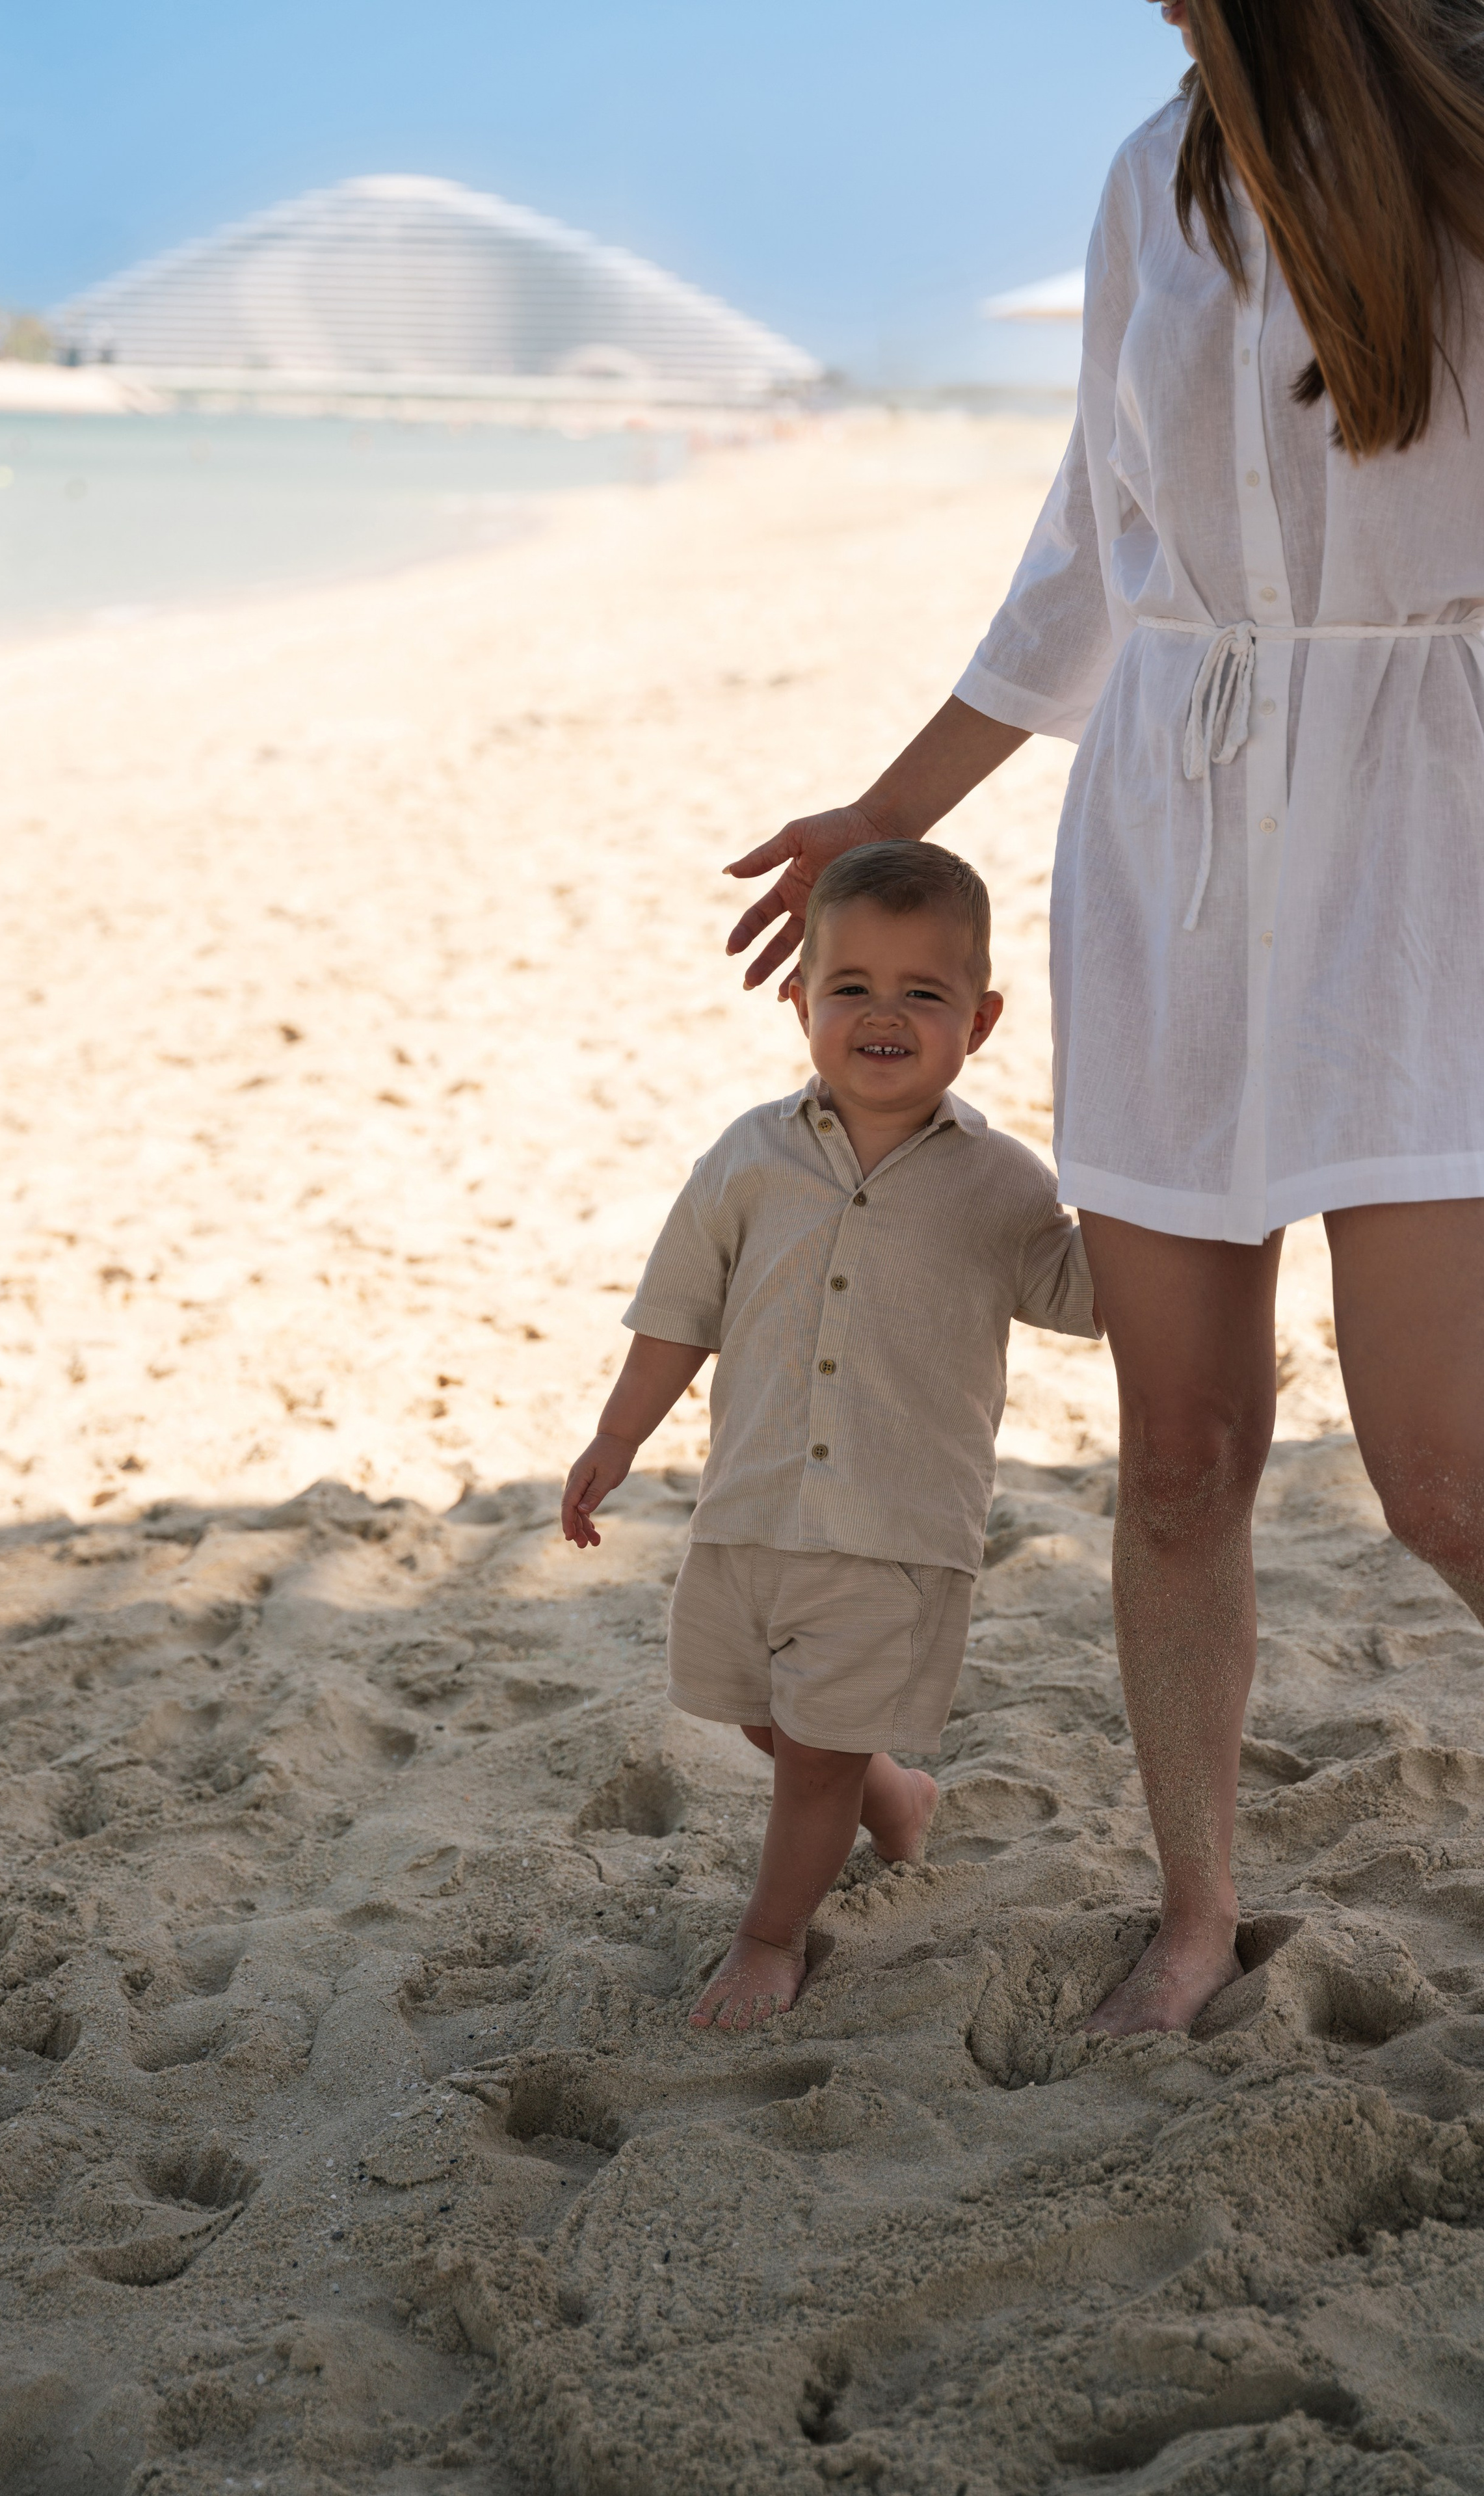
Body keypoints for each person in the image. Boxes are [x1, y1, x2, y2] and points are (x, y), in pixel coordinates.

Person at [722, 0, 1484, 2037]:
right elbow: (1086, 544)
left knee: (1443, 1470)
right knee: (1184, 1448)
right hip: (1168, 828)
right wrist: (889, 818)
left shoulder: (1466, 141)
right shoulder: (1155, 171)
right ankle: (1195, 1911)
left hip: (1429, 827)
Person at [561, 843, 1100, 2030]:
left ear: (982, 1018)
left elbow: (1090, 1297)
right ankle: (896, 1797)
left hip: (895, 1525)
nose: (885, 1014)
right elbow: (676, 1314)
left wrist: (1138, 1185)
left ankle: (770, 1937)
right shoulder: (747, 1157)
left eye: (924, 991)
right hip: (750, 1505)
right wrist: (615, 1435)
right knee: (765, 1711)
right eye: (852, 986)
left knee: (811, 1750)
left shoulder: (1005, 1183)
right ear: (802, 1001)